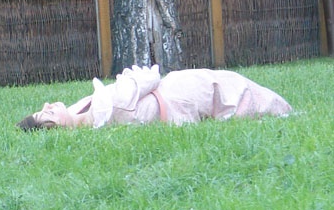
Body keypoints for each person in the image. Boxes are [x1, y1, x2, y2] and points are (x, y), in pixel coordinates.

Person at [17, 65, 291, 131]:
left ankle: (280, 112)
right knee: (232, 92)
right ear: (58, 126)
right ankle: (284, 114)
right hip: (177, 96)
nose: (48, 106)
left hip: (172, 96)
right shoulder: (106, 108)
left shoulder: (82, 111)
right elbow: (149, 78)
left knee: (230, 89)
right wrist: (132, 77)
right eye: (48, 114)